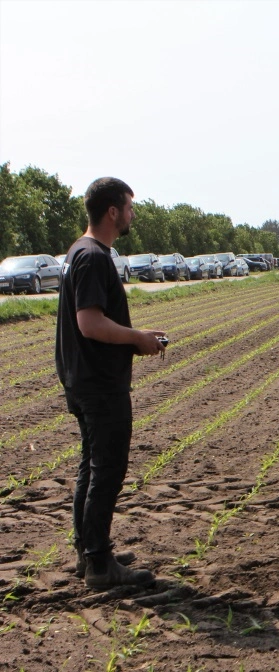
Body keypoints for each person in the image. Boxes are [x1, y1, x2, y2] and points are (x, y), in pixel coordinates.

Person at [56, 177, 165, 589]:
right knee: (108, 467)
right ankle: (100, 564)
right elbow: (90, 322)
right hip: (99, 383)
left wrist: (134, 339)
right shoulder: (93, 257)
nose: (132, 214)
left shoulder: (77, 252)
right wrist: (136, 338)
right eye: (129, 207)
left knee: (92, 463)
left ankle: (90, 552)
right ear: (113, 212)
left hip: (82, 377)